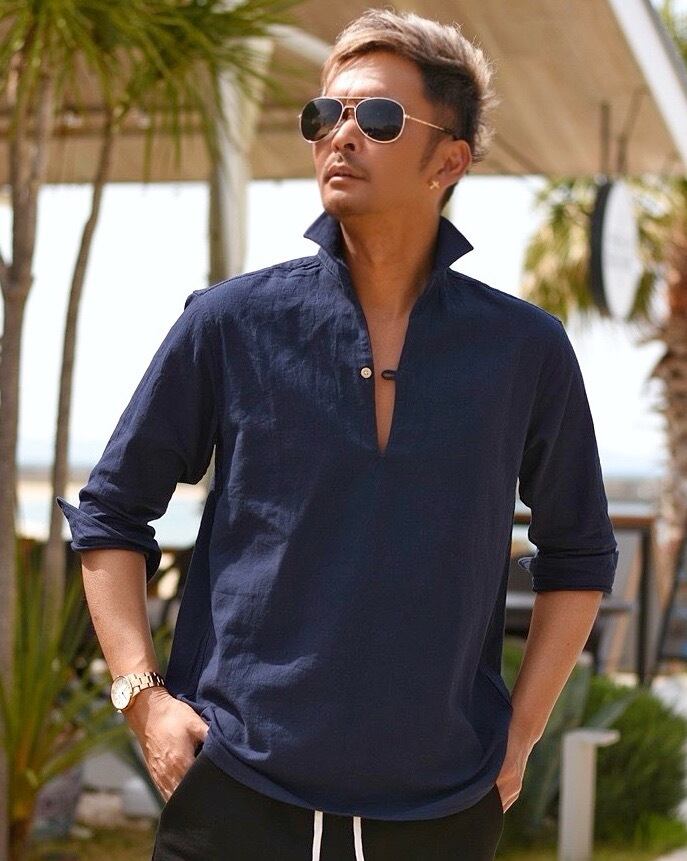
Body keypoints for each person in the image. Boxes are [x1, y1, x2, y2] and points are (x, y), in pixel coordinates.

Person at [56, 8, 619, 860]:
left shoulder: (524, 349)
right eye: (326, 114)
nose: (341, 135)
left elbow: (577, 553)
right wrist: (142, 697)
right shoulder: (230, 323)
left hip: (439, 810)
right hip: (236, 795)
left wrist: (520, 734)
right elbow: (110, 512)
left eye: (378, 117)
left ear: (449, 160)